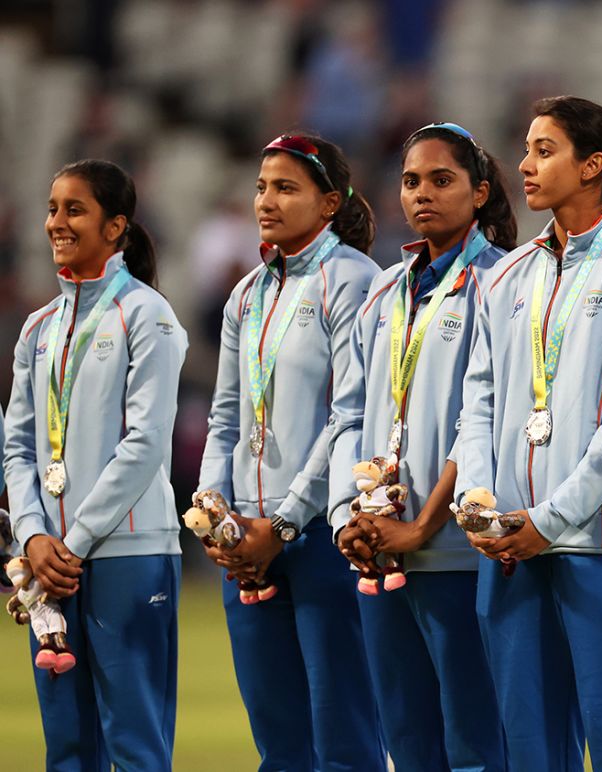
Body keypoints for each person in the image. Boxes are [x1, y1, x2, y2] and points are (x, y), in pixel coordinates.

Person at [454, 95, 602, 771]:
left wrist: (551, 518)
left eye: (544, 150)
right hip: (511, 545)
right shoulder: (509, 274)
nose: (524, 165)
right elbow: (479, 400)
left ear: (593, 167)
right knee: (530, 748)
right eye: (525, 149)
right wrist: (477, 500)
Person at [328, 122, 516, 771]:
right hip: (382, 548)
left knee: (476, 745)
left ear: (481, 191)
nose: (422, 194)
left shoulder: (502, 284)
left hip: (460, 553)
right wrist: (347, 521)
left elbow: (481, 418)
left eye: (442, 180)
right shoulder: (383, 290)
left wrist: (423, 526)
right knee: (406, 746)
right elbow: (347, 415)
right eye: (412, 181)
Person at [195, 133, 382, 770]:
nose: (266, 201)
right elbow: (226, 415)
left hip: (321, 536)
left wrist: (281, 523)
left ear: (329, 202)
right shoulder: (247, 292)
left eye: (285, 187)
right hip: (244, 539)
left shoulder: (355, 280)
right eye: (260, 186)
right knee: (278, 744)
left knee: (344, 737)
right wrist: (215, 512)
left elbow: (348, 415)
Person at [4, 159, 188, 770]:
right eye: (53, 208)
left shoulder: (147, 315)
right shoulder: (37, 330)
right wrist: (32, 535)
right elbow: (17, 445)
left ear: (116, 228)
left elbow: (145, 443)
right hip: (48, 561)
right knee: (69, 746)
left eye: (74, 209)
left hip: (126, 553)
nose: (57, 222)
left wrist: (72, 545)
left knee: (135, 744)